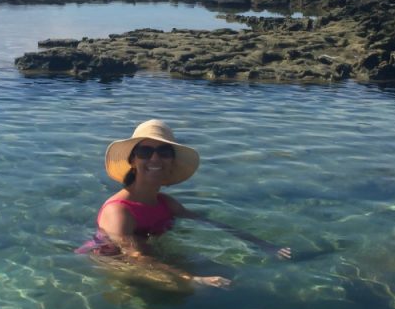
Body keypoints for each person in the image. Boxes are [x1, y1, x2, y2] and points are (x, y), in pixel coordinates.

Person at [77, 119, 291, 289]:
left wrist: (264, 246)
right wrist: (192, 279)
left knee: (231, 275)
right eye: (144, 152)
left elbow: (213, 224)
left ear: (171, 161)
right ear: (133, 161)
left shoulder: (166, 203)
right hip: (115, 265)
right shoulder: (119, 211)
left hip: (147, 257)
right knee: (196, 292)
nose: (154, 159)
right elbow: (134, 257)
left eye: (164, 152)